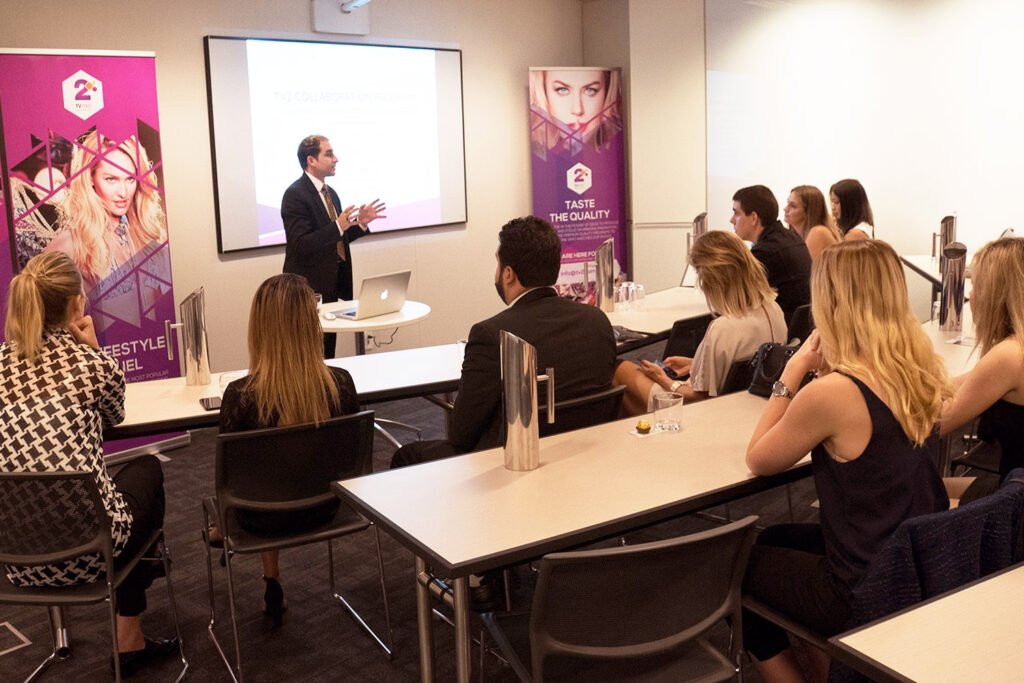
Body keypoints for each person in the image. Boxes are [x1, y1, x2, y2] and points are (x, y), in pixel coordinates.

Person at [742, 240, 949, 683]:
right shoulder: (920, 369)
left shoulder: (832, 393)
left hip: (861, 588)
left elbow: (758, 458)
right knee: (775, 537)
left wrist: (795, 368)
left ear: (832, 304)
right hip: (916, 565)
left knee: (736, 568)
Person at [0, 252, 176, 676]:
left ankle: (146, 571)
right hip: (93, 555)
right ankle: (131, 628)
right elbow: (114, 416)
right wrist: (93, 350)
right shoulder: (92, 366)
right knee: (148, 470)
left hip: (16, 560)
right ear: (75, 303)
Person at [392, 215, 617, 462]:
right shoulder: (596, 320)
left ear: (508, 274)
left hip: (514, 461)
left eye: (498, 265)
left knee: (406, 456)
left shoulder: (492, 335)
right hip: (586, 453)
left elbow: (461, 434)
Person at [215, 273, 360, 624]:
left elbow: (228, 480)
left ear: (260, 327)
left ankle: (271, 577)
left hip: (259, 519)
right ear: (312, 325)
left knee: (262, 481)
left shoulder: (240, 396)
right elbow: (350, 460)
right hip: (328, 508)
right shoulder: (341, 384)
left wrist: (223, 522)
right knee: (282, 472)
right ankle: (270, 575)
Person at [614, 230, 787, 415]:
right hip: (746, 404)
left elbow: (700, 399)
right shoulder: (773, 310)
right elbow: (744, 367)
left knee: (618, 369)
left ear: (710, 280)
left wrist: (663, 379)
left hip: (694, 409)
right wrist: (696, 363)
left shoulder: (723, 329)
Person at [281, 134, 386, 358]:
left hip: (331, 288)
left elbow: (337, 239)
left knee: (328, 354)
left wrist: (361, 224)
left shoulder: (331, 194)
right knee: (308, 357)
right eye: (329, 154)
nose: (336, 159)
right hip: (307, 292)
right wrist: (338, 225)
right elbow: (301, 244)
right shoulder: (295, 195)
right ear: (311, 160)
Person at [941, 237, 1024, 483]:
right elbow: (953, 385)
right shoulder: (1014, 348)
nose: (970, 296)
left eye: (976, 286)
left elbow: (937, 424)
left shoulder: (1010, 355)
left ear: (996, 296)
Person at [45, 131, 167, 292]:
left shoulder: (144, 234)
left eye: (130, 179)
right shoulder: (70, 245)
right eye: (111, 179)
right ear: (90, 177)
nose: (123, 192)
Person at [731, 184, 812, 325]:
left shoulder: (765, 252)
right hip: (803, 327)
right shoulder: (791, 237)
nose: (732, 220)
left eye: (736, 213)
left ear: (754, 218)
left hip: (783, 330)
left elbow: (737, 299)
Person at [529, 68, 622, 156]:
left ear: (606, 94)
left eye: (590, 90)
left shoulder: (615, 156)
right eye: (562, 90)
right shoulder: (537, 157)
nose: (577, 110)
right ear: (543, 93)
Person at [784, 185, 841, 263]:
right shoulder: (795, 235)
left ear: (808, 212)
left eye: (793, 206)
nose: (785, 209)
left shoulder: (818, 232)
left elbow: (805, 268)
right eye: (788, 203)